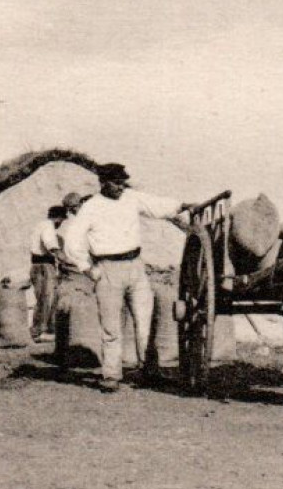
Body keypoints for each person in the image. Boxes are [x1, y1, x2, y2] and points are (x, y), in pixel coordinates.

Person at [61, 163, 188, 390]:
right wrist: (87, 268)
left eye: (122, 182)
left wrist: (181, 205)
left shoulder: (131, 198)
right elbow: (72, 241)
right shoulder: (91, 208)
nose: (120, 187)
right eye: (116, 183)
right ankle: (111, 375)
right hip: (108, 268)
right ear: (103, 183)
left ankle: (150, 370)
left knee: (144, 321)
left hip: (136, 267)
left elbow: (155, 205)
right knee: (111, 326)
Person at [27, 204, 69, 342]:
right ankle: (42, 331)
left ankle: (37, 330)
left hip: (36, 265)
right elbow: (51, 244)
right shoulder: (48, 226)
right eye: (61, 221)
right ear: (58, 218)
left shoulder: (39, 225)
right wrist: (65, 259)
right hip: (45, 265)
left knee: (41, 298)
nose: (60, 224)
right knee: (48, 297)